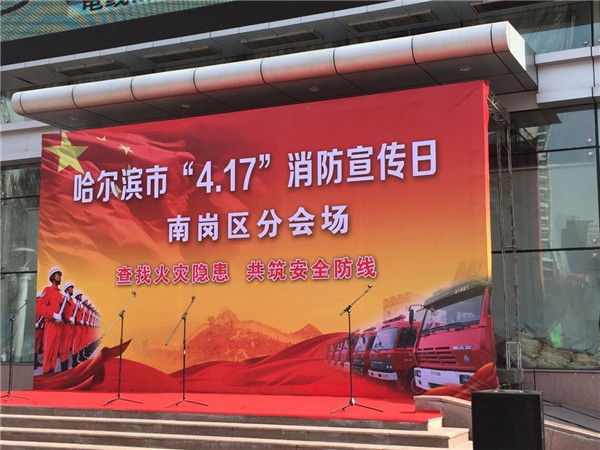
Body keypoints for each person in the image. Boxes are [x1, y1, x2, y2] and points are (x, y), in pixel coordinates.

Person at [39, 267, 64, 374]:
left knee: (55, 350)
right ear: (52, 277)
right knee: (48, 349)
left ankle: (52, 371)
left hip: (58, 325)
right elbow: (40, 305)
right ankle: (46, 372)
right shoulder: (47, 290)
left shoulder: (61, 295)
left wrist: (61, 317)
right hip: (50, 324)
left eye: (60, 275)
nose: (60, 277)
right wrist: (53, 314)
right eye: (58, 275)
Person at [59, 281, 76, 371]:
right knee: (64, 347)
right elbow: (62, 312)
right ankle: (63, 368)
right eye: (71, 288)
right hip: (65, 326)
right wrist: (68, 318)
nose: (72, 290)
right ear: (67, 289)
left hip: (70, 326)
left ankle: (65, 365)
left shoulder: (72, 302)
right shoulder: (64, 299)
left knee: (68, 345)